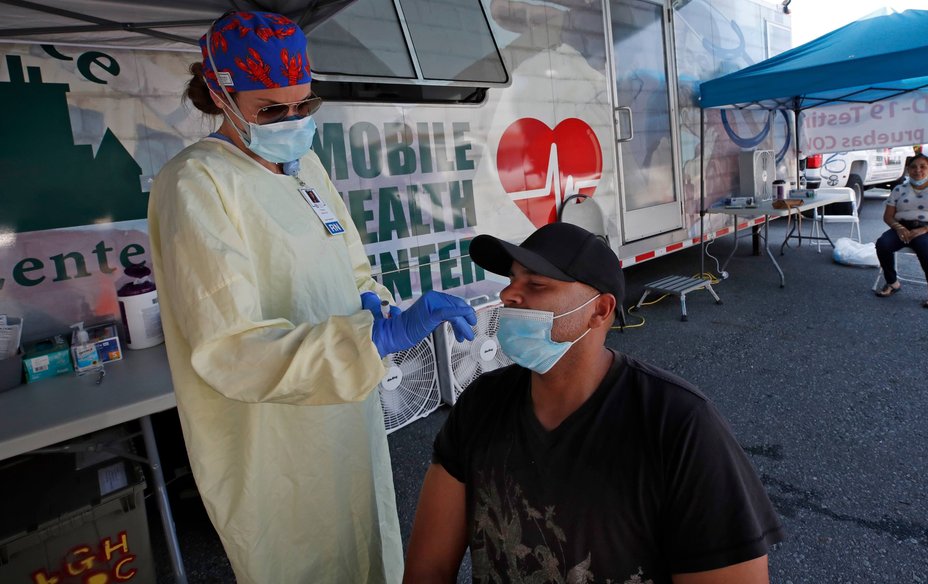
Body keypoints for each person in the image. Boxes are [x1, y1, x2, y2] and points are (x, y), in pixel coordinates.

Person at [148, 12, 477, 583]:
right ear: (219, 96)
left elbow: (348, 262)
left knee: (368, 546)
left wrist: (375, 304)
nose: (293, 120)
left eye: (303, 106)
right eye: (272, 110)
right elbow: (230, 348)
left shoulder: (302, 168)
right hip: (275, 439)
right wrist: (367, 341)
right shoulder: (196, 184)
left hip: (345, 416)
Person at [404, 223, 783, 583]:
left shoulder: (678, 425)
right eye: (511, 280)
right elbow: (428, 569)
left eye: (535, 284)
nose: (508, 295)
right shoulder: (480, 405)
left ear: (600, 310)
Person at [874, 154, 928, 308]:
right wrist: (899, 228)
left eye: (922, 166)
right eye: (913, 167)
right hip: (903, 228)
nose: (917, 170)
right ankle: (893, 283)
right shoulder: (899, 189)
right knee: (883, 243)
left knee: (922, 244)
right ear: (908, 169)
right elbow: (888, 216)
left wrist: (925, 229)